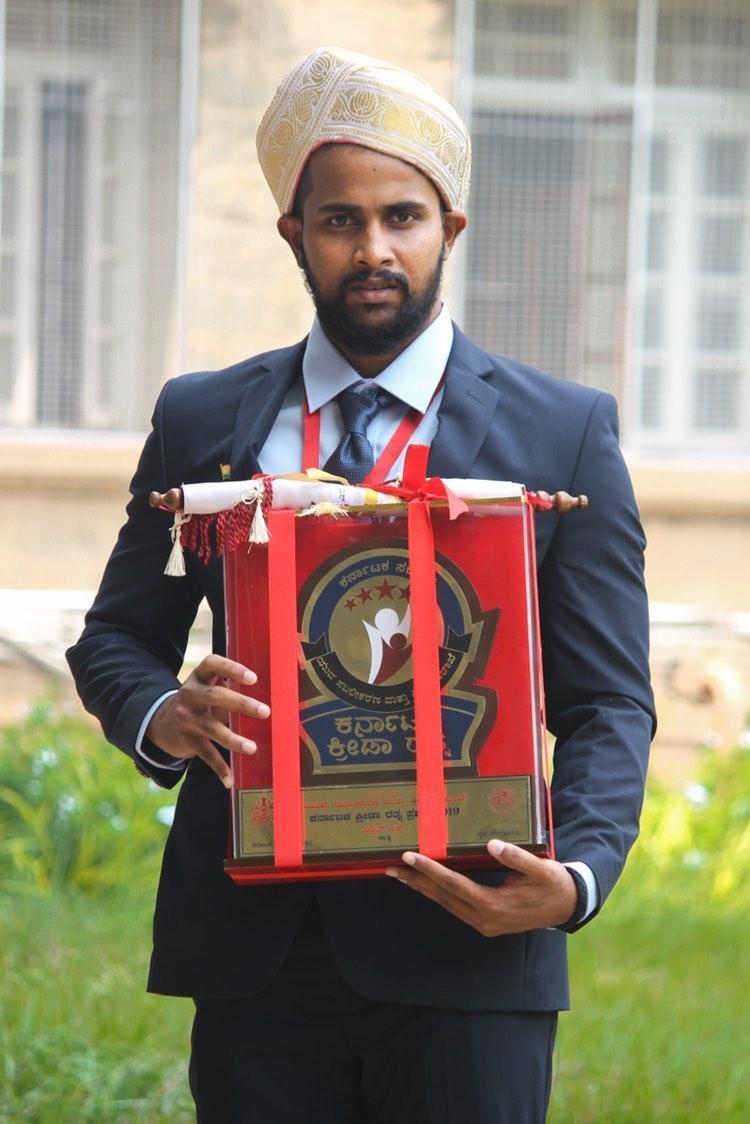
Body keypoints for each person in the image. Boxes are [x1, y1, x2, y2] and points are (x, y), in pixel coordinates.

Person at [67, 47, 655, 1123]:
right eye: (340, 220)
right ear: (295, 233)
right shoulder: (205, 421)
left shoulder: (563, 433)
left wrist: (576, 875)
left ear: (452, 229)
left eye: (403, 216)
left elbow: (610, 698)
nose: (373, 248)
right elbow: (114, 638)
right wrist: (167, 711)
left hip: (471, 936)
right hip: (257, 950)